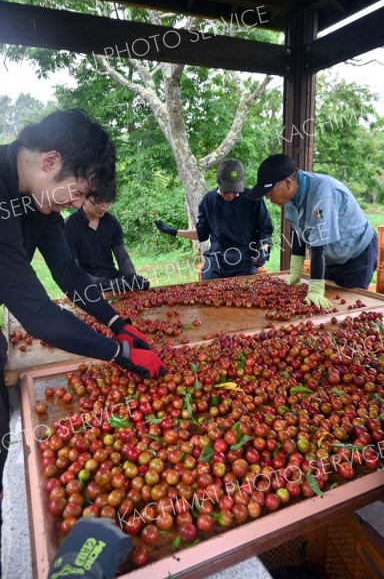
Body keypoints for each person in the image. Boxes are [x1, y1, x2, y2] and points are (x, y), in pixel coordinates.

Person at [0, 109, 165, 490]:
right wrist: (118, 354)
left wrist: (117, 323)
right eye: (76, 192)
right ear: (50, 161)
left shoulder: (40, 198)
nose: (77, 205)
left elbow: (69, 274)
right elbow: (38, 313)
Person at [247, 154, 378, 308]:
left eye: (269, 191)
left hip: (356, 255)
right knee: (323, 304)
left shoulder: (323, 194)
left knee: (346, 306)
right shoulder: (291, 196)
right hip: (329, 255)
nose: (267, 197)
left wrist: (315, 288)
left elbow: (318, 245)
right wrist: (295, 271)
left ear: (287, 183)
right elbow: (299, 231)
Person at [155, 159, 273, 280]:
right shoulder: (209, 200)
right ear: (219, 182)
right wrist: (175, 232)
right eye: (227, 191)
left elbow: (265, 229)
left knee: (242, 289)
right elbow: (202, 234)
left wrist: (264, 250)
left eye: (235, 191)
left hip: (245, 257)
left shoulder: (253, 198)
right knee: (208, 284)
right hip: (218, 257)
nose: (231, 195)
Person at [65, 195, 149, 295]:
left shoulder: (111, 222)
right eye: (98, 203)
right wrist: (106, 284)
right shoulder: (68, 226)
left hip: (112, 279)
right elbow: (74, 272)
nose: (103, 208)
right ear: (83, 198)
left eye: (107, 203)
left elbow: (122, 257)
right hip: (84, 287)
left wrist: (132, 276)